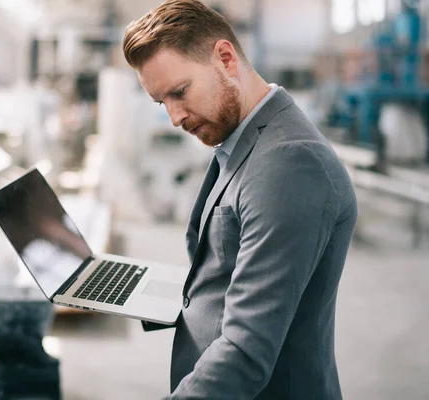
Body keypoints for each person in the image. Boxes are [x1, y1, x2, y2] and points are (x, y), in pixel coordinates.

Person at [122, 1, 358, 399]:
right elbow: (230, 267)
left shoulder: (290, 162)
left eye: (180, 92)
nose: (174, 118)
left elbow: (246, 352)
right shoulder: (242, 142)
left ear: (226, 58)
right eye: (163, 102)